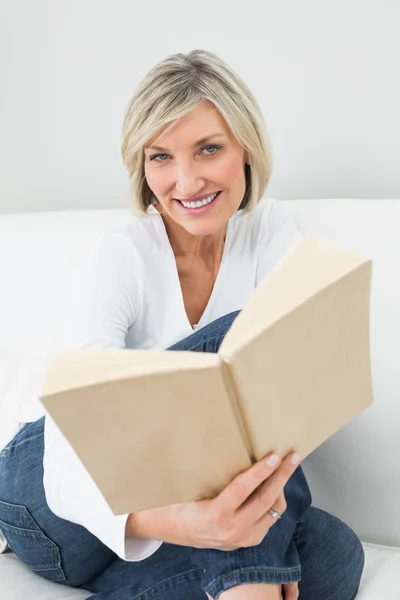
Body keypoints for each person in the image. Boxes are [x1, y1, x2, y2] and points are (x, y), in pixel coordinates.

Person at [0, 49, 364, 600]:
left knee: (334, 554)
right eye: (160, 157)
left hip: (176, 501)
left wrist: (210, 526)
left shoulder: (270, 235)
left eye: (208, 149)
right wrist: (183, 527)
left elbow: (295, 396)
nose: (185, 181)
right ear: (142, 168)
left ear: (247, 149)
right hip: (49, 497)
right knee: (237, 341)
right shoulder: (123, 253)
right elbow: (69, 453)